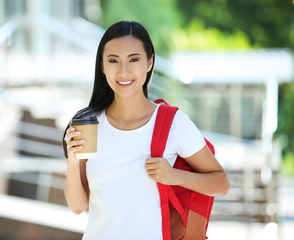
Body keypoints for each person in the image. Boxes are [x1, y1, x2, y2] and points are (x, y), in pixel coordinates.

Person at [63, 20, 230, 240]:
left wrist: (174, 176)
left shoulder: (173, 123)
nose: (123, 71)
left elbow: (221, 183)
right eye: (113, 60)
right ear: (102, 66)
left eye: (134, 59)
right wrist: (73, 163)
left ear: (150, 62)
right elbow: (77, 206)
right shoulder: (88, 123)